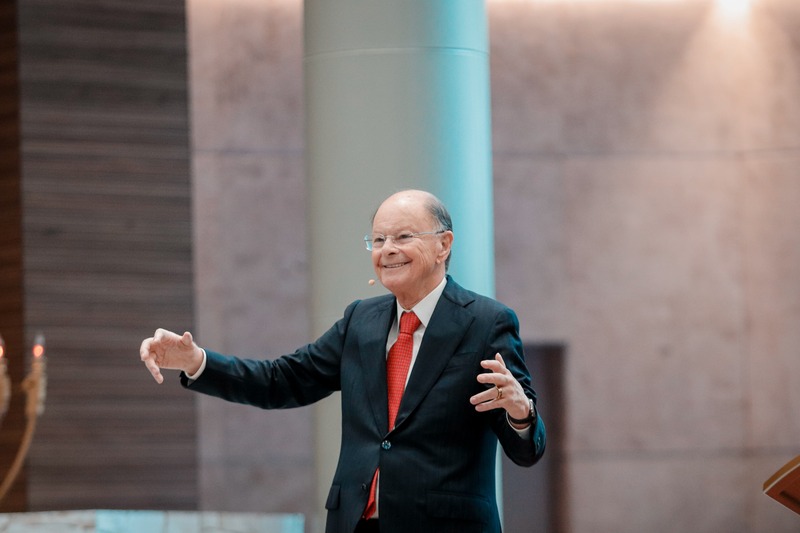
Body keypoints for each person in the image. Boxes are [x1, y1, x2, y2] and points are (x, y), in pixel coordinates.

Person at [140, 189, 546, 533]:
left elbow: (527, 450)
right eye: (379, 240)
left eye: (403, 236)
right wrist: (197, 361)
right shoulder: (360, 321)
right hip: (355, 522)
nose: (388, 250)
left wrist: (521, 413)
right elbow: (282, 380)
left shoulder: (486, 322)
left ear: (444, 244)